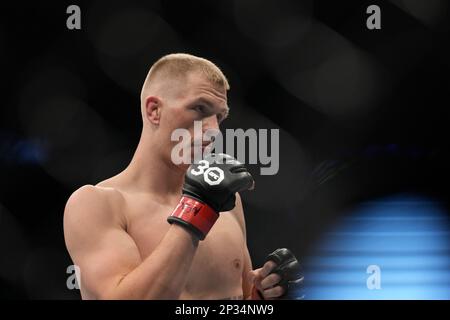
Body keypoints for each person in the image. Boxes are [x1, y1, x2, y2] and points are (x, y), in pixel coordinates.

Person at [63, 53, 302, 300]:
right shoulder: (97, 204)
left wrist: (262, 296)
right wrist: (196, 213)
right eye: (199, 108)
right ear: (154, 110)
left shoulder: (228, 201)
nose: (213, 131)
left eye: (219, 117)